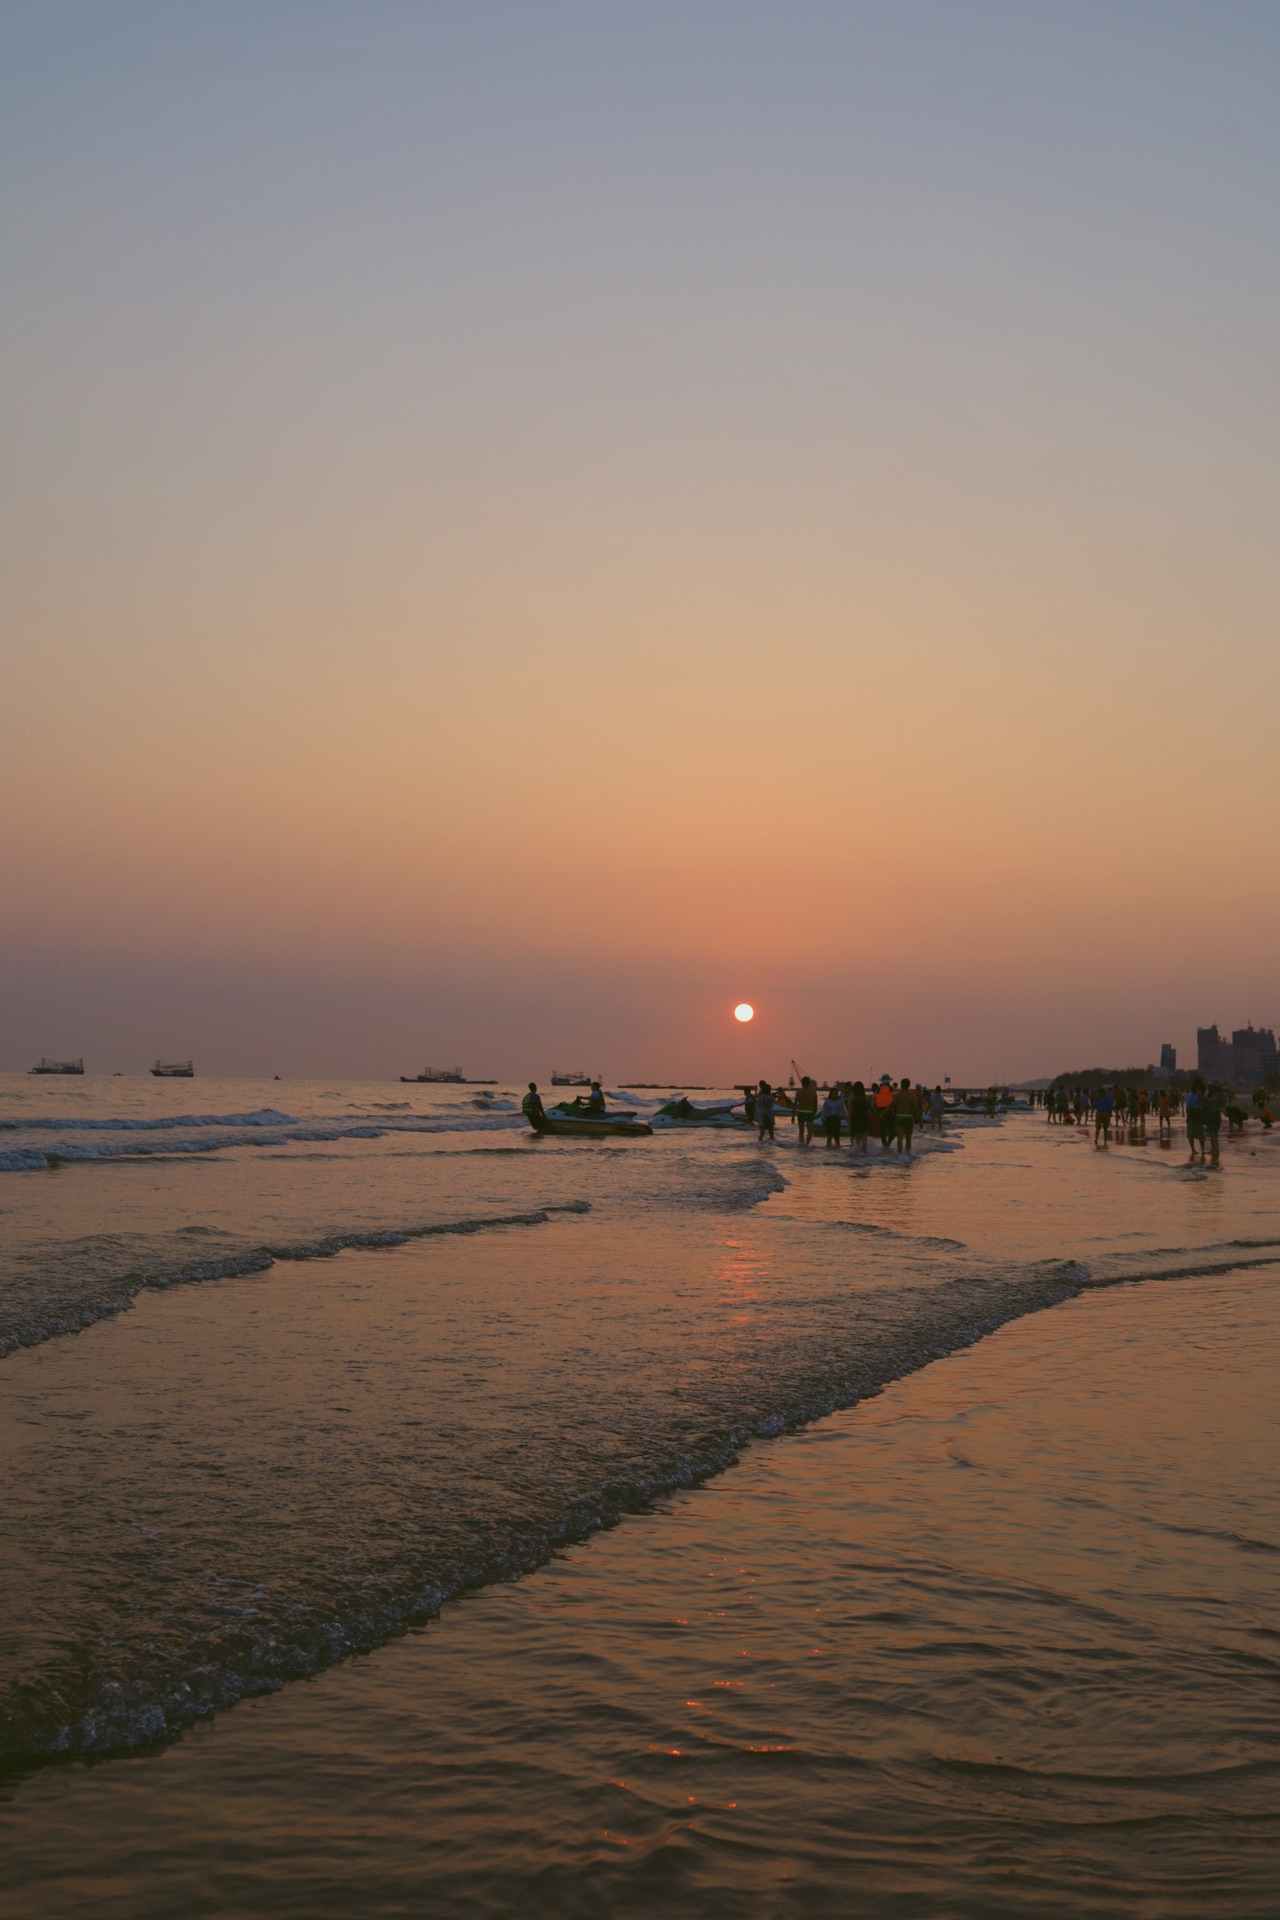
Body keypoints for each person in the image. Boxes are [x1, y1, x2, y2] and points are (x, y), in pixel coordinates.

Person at [846, 1079, 871, 1154]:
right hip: (864, 1119)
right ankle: (863, 1155)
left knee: (857, 1140)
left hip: (855, 1120)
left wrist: (849, 1123)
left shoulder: (852, 1099)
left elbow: (850, 1113)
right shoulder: (867, 1098)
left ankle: (856, 1155)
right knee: (864, 1141)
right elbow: (870, 1110)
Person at [893, 1077, 917, 1154]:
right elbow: (916, 1109)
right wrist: (920, 1120)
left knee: (899, 1139)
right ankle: (907, 1155)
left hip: (900, 1117)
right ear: (909, 1085)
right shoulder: (913, 1096)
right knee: (908, 1139)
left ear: (901, 1085)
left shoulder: (897, 1095)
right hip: (909, 1118)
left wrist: (883, 1114)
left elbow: (891, 1105)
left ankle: (899, 1156)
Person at [795, 1075, 818, 1148]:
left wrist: (792, 1116)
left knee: (801, 1132)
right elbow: (816, 1105)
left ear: (802, 1084)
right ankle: (806, 1145)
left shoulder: (799, 1092)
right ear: (809, 1084)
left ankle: (801, 1145)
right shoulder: (813, 1093)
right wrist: (814, 1113)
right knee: (810, 1132)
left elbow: (795, 1104)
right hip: (810, 1113)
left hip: (801, 1112)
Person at [874, 1076, 896, 1151]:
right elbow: (895, 1101)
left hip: (881, 1111)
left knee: (883, 1130)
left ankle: (885, 1145)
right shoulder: (892, 1089)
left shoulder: (878, 1090)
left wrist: (878, 1113)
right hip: (890, 1111)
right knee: (891, 1131)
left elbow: (874, 1102)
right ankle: (887, 1145)